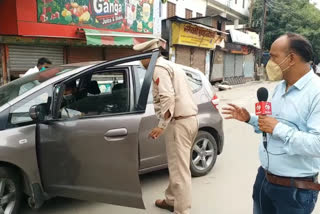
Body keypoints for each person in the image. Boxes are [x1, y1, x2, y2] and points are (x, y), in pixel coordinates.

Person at [223, 33, 320, 214]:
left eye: (274, 56)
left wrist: (278, 128)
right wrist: (249, 119)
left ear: (291, 58)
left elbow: (317, 145)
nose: (269, 62)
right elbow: (270, 127)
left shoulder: (316, 93)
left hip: (295, 190)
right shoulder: (280, 88)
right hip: (265, 179)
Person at [133, 39, 198, 214]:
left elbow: (167, 97)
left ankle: (182, 210)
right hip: (189, 120)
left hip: (179, 123)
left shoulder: (158, 68)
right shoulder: (171, 65)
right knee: (176, 165)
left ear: (148, 56)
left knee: (180, 171)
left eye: (141, 58)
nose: (140, 62)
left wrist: (161, 126)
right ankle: (172, 200)